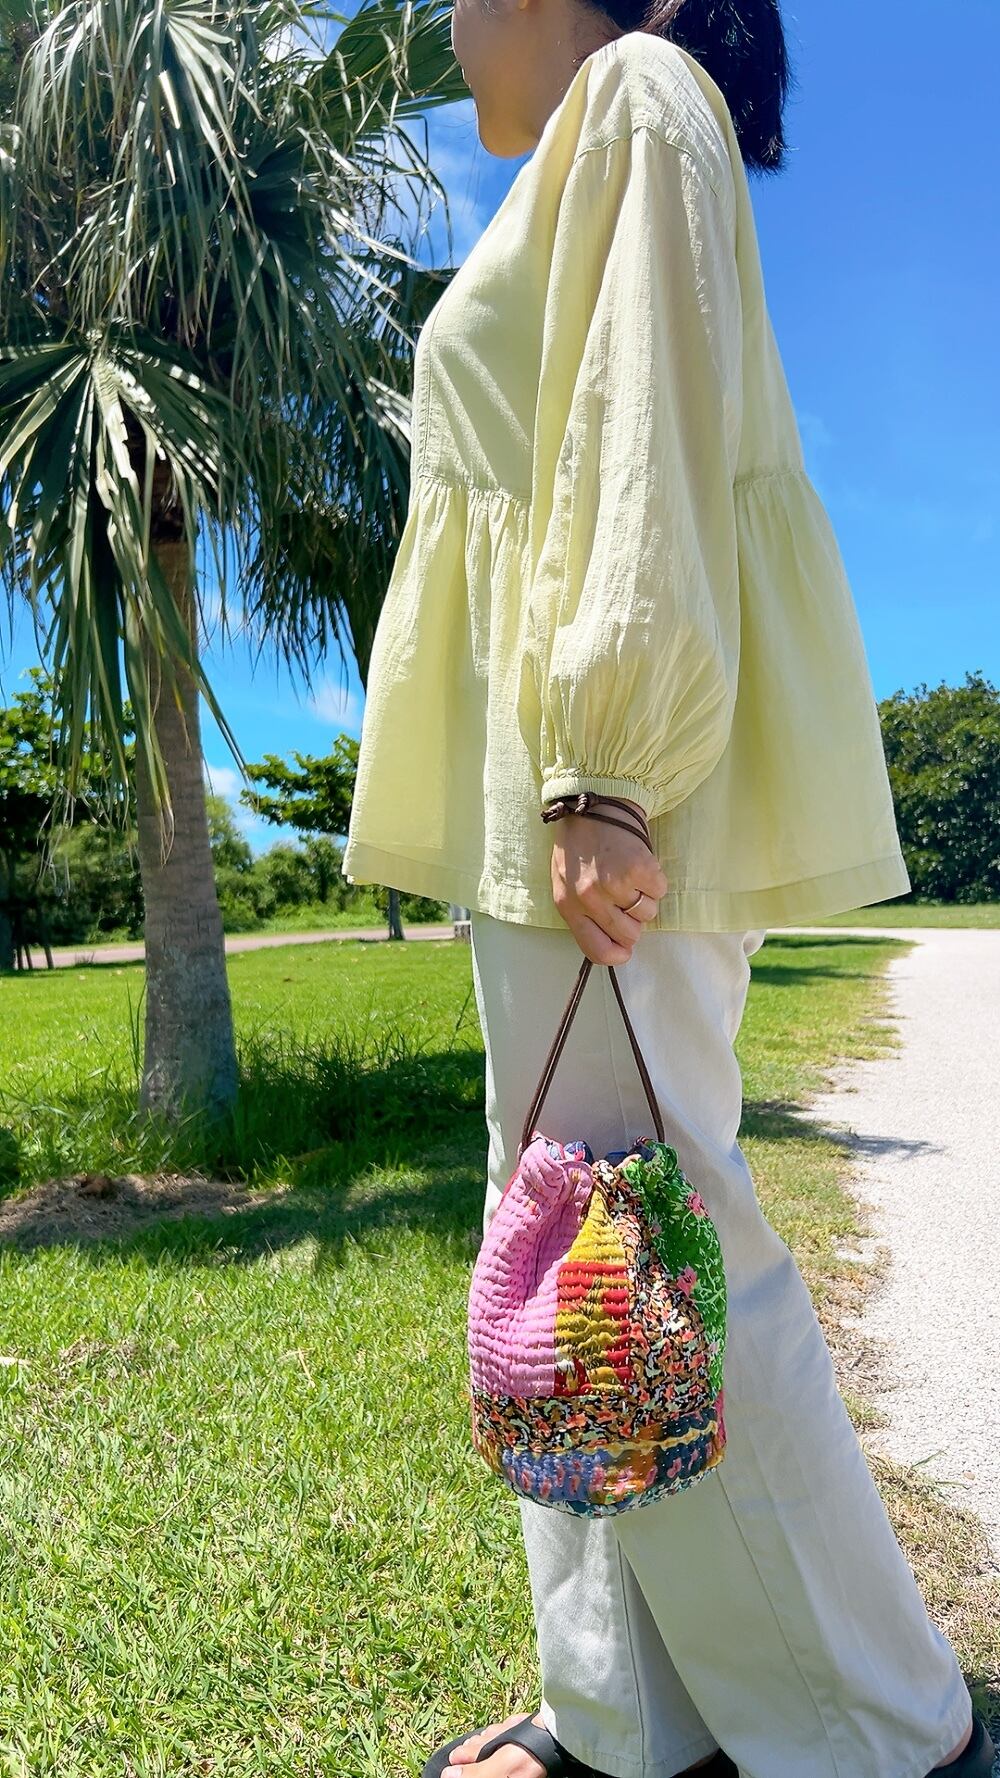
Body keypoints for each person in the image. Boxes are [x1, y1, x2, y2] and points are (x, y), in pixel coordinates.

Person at [342, 2, 996, 1775]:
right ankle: (630, 1715)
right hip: (566, 782)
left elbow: (644, 443)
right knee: (569, 1230)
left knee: (646, 1221)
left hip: (603, 783)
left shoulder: (637, 93)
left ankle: (884, 1730)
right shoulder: (601, 130)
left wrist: (606, 766)